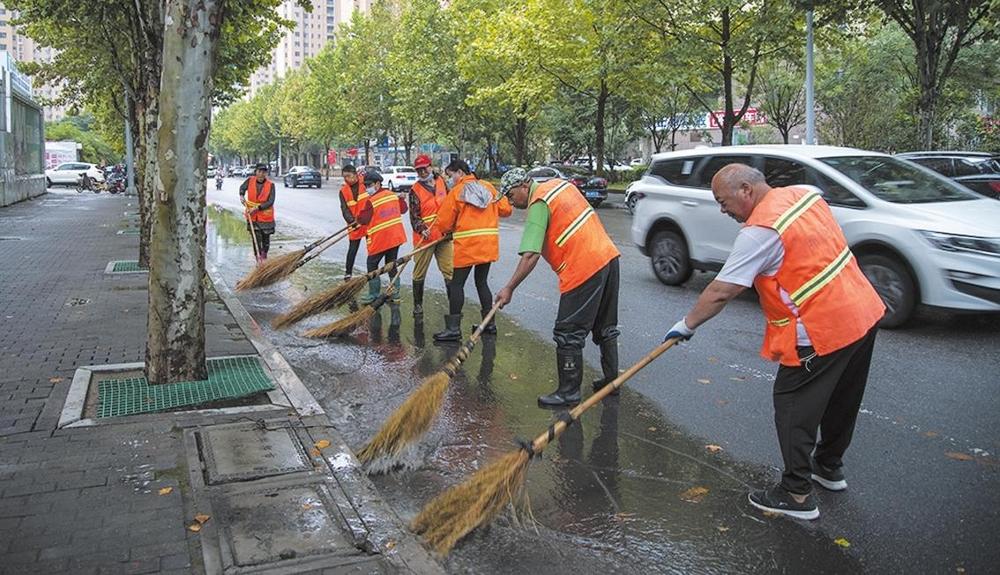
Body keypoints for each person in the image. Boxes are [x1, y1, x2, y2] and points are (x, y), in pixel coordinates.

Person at [663, 163, 884, 521]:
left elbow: (722, 290)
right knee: (843, 397)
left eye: (723, 202)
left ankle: (797, 494)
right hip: (863, 312)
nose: (722, 210)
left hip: (820, 328)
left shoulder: (760, 231)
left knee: (793, 404)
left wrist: (686, 325)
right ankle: (828, 467)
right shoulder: (802, 196)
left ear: (746, 190)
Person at [494, 168, 621, 407]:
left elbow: (530, 255)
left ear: (523, 186)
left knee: (567, 332)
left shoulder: (539, 202)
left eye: (510, 195)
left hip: (583, 267)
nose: (510, 201)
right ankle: (612, 381)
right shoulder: (560, 186)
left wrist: (509, 288)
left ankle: (568, 392)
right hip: (608, 257)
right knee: (606, 326)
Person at [430, 160, 512, 342]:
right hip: (487, 243)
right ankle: (489, 324)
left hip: (467, 246)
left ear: (460, 172)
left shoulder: (457, 192)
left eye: (450, 176)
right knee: (481, 282)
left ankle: (453, 329)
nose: (449, 180)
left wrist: (448, 229)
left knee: (457, 284)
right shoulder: (488, 187)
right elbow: (506, 209)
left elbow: (443, 222)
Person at [356, 169, 408, 324]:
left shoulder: (371, 201)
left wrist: (357, 219)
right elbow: (403, 209)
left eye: (369, 185)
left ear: (378, 184)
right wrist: (401, 198)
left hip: (382, 239)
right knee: (391, 264)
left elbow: (363, 219)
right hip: (395, 237)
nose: (367, 188)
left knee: (372, 264)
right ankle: (395, 294)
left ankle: (373, 293)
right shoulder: (392, 195)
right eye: (365, 186)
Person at [408, 154, 454, 317]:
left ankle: (454, 307)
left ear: (430, 166)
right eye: (419, 170)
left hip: (444, 236)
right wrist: (422, 228)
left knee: (449, 271)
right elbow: (414, 216)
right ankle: (418, 306)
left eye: (424, 168)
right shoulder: (414, 190)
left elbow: (451, 205)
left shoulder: (442, 182)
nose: (422, 172)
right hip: (425, 238)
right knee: (419, 272)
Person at [239, 163, 276, 262]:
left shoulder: (271, 185)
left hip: (266, 218)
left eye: (264, 172)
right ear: (256, 172)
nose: (261, 174)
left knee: (265, 239)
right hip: (252, 217)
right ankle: (258, 259)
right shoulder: (249, 181)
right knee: (256, 238)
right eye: (259, 171)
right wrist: (241, 196)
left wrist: (257, 208)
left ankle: (264, 256)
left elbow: (270, 201)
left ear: (266, 173)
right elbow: (242, 188)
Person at [339, 164, 369, 281]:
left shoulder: (366, 184)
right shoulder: (343, 191)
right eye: (344, 177)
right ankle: (348, 273)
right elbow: (344, 209)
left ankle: (371, 271)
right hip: (354, 224)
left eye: (348, 176)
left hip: (368, 222)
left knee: (371, 248)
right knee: (352, 248)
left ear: (355, 174)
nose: (347, 179)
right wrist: (352, 222)